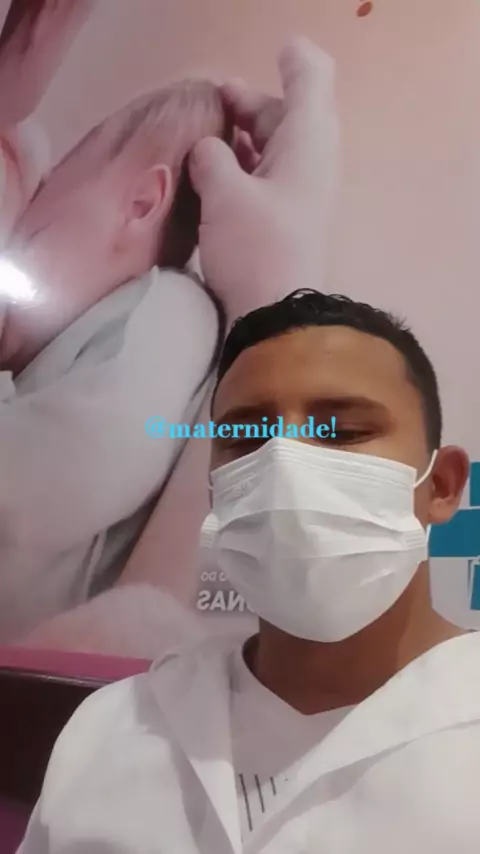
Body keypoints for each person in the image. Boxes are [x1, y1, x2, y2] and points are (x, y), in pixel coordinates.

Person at [17, 284, 477, 852]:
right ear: (217, 488)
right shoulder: (111, 726)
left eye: (342, 432)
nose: (284, 467)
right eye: (244, 438)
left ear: (442, 485)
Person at [3, 37, 338, 650]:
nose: (19, 225)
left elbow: (77, 459)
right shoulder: (76, 348)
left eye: (47, 191)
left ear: (141, 204)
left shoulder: (164, 309)